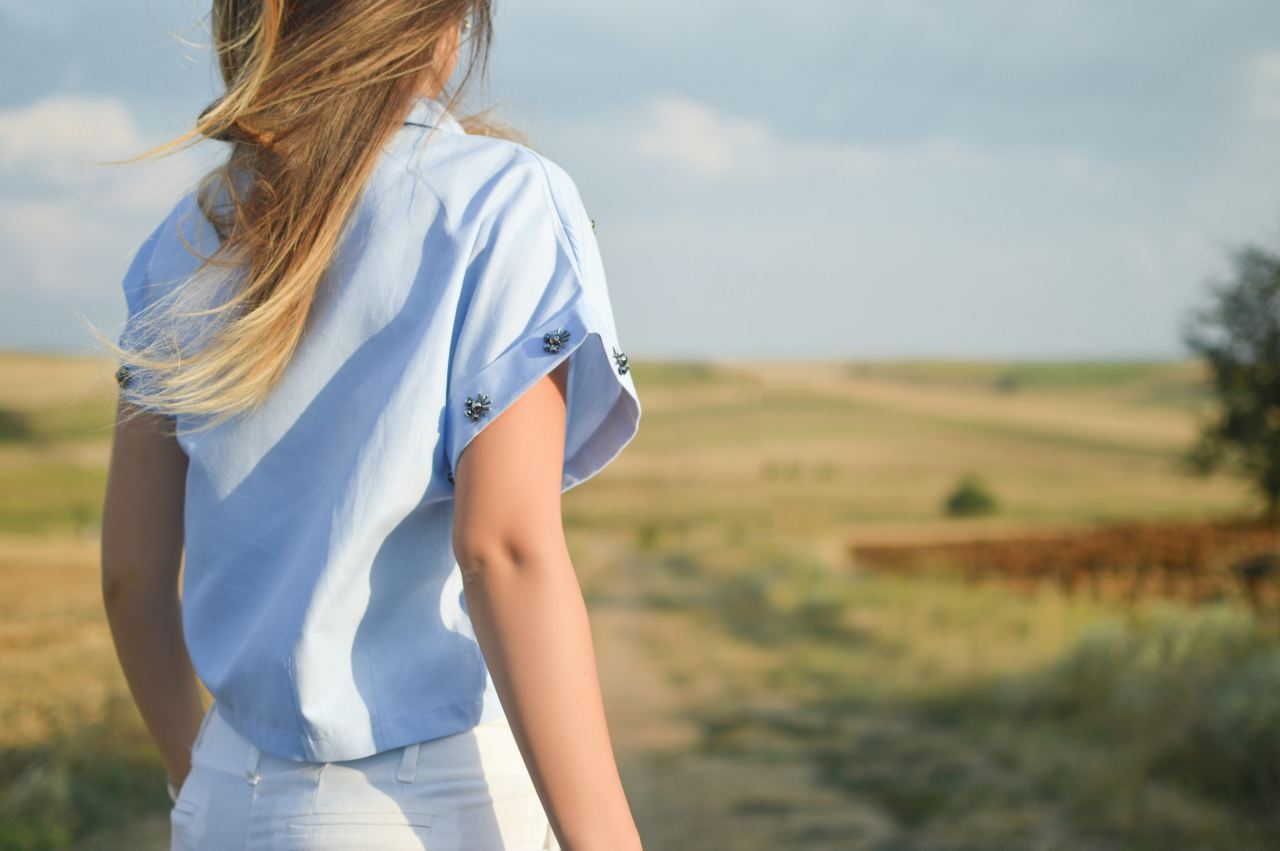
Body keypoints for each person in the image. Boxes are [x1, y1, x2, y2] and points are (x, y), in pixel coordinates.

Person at [94, 2, 644, 849]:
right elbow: (504, 548)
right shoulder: (502, 198)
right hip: (432, 804)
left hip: (223, 801)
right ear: (448, 28)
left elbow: (130, 577)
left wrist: (196, 779)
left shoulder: (187, 237)